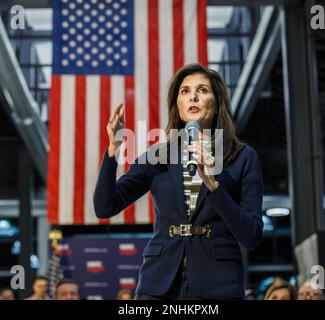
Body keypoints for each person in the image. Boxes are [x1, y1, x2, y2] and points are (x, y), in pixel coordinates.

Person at [94, 63, 264, 300]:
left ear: (217, 105)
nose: (193, 96)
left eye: (203, 90)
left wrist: (215, 186)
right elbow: (105, 207)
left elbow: (251, 235)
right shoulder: (157, 156)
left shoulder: (243, 157)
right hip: (159, 285)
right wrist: (113, 150)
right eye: (185, 91)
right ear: (178, 105)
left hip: (218, 285)